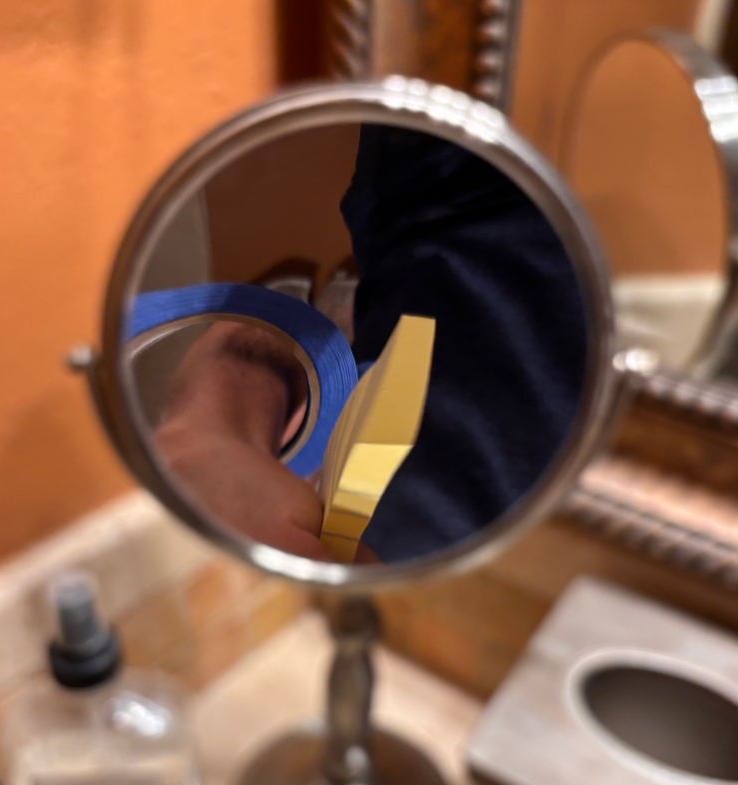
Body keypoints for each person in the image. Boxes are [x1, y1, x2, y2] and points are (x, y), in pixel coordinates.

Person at [153, 126, 588, 563]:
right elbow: (252, 339)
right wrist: (213, 429)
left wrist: (211, 430)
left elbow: (253, 340)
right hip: (457, 206)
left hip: (444, 209)